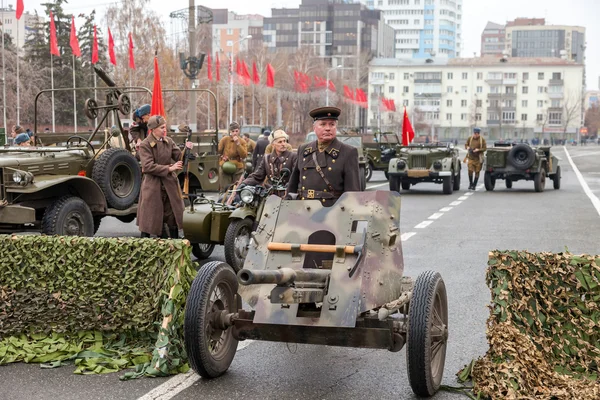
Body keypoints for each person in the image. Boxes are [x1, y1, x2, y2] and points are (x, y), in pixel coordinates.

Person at [287, 106, 361, 206]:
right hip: (303, 211)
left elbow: (352, 194)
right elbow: (293, 184)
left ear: (336, 127)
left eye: (332, 124)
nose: (328, 128)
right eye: (323, 124)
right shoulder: (303, 150)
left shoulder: (348, 152)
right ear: (314, 128)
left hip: (331, 213)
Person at [137, 115, 193, 239]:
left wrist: (187, 150)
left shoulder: (168, 141)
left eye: (164, 127)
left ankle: (174, 248)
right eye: (161, 127)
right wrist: (169, 168)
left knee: (173, 217)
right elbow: (147, 167)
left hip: (169, 186)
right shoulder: (145, 144)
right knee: (149, 221)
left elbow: (179, 157)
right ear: (153, 129)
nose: (164, 130)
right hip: (153, 186)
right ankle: (143, 249)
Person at [217, 122, 248, 191]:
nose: (235, 133)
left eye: (236, 131)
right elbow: (218, 151)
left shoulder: (242, 141)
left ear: (239, 131)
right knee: (225, 189)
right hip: (225, 166)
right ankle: (223, 200)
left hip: (238, 167)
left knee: (237, 190)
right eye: (233, 131)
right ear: (230, 131)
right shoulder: (225, 139)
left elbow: (244, 155)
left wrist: (238, 144)